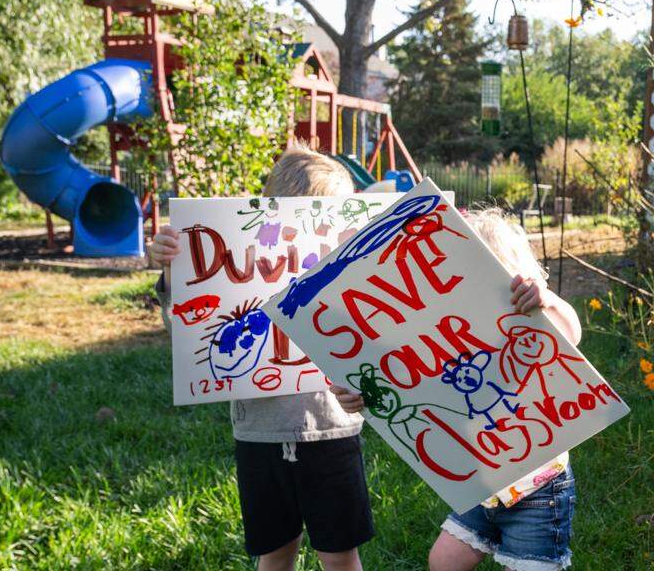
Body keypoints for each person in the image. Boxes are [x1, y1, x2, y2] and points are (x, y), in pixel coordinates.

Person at [148, 144, 373, 571]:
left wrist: (364, 388)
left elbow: (375, 344)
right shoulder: (242, 263)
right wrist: (172, 270)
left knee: (340, 553)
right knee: (274, 552)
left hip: (332, 433)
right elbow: (187, 328)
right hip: (260, 435)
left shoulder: (346, 274)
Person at [330, 208, 581, 571]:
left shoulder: (530, 322)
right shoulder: (452, 337)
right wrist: (361, 396)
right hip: (482, 482)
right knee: (444, 560)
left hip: (538, 490)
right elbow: (405, 382)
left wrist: (547, 301)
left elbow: (572, 335)